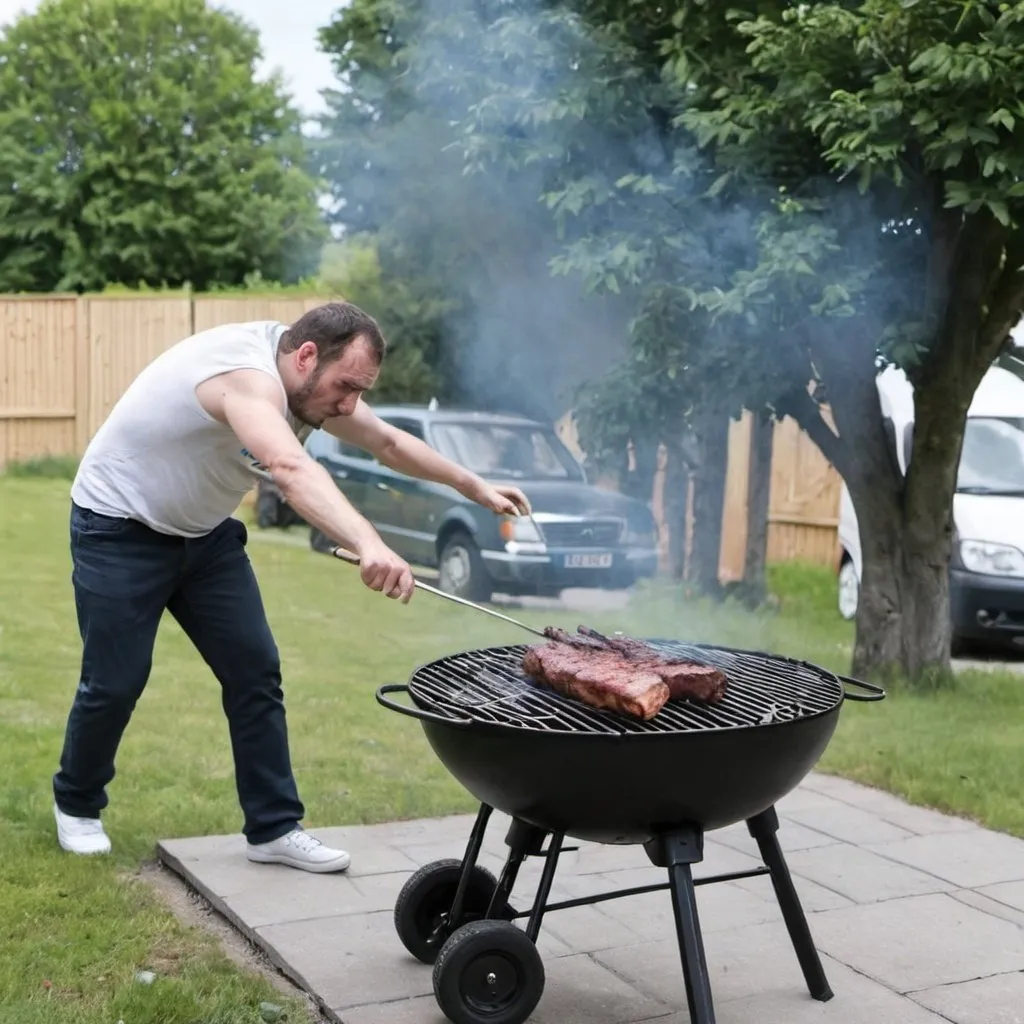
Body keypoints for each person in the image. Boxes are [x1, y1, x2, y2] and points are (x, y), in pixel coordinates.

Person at [53, 302, 531, 873]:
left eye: (359, 390)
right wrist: (369, 542)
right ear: (306, 356)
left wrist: (473, 485)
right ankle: (77, 804)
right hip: (119, 528)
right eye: (346, 387)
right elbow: (289, 468)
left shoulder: (312, 383)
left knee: (255, 670)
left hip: (203, 539)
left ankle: (273, 828)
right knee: (115, 681)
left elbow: (386, 442)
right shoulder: (244, 379)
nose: (350, 403)